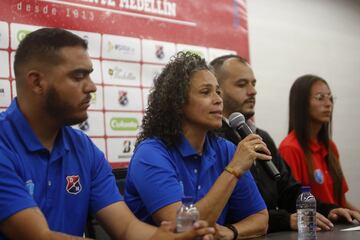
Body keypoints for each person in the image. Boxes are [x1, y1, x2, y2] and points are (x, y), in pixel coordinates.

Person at [0, 28, 215, 240]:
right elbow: (39, 237)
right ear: (37, 82)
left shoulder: (83, 149)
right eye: (78, 76)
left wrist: (162, 237)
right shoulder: (3, 142)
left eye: (89, 75)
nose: (92, 87)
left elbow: (127, 228)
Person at [125, 51, 271, 240]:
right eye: (205, 92)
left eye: (218, 92)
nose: (218, 99)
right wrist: (234, 169)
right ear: (178, 102)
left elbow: (260, 219)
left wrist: (233, 231)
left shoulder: (226, 149)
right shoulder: (151, 153)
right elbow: (182, 230)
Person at [210, 55, 360, 233]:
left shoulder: (260, 136)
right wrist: (284, 220)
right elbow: (229, 209)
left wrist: (327, 210)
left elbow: (288, 189)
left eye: (254, 84)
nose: (253, 91)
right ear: (218, 91)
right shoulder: (213, 140)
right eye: (242, 84)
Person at [279, 74, 360, 213]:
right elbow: (293, 203)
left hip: (338, 227)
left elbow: (341, 203)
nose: (328, 104)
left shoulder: (330, 146)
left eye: (330, 97)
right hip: (314, 230)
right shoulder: (290, 148)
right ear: (301, 103)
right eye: (320, 97)